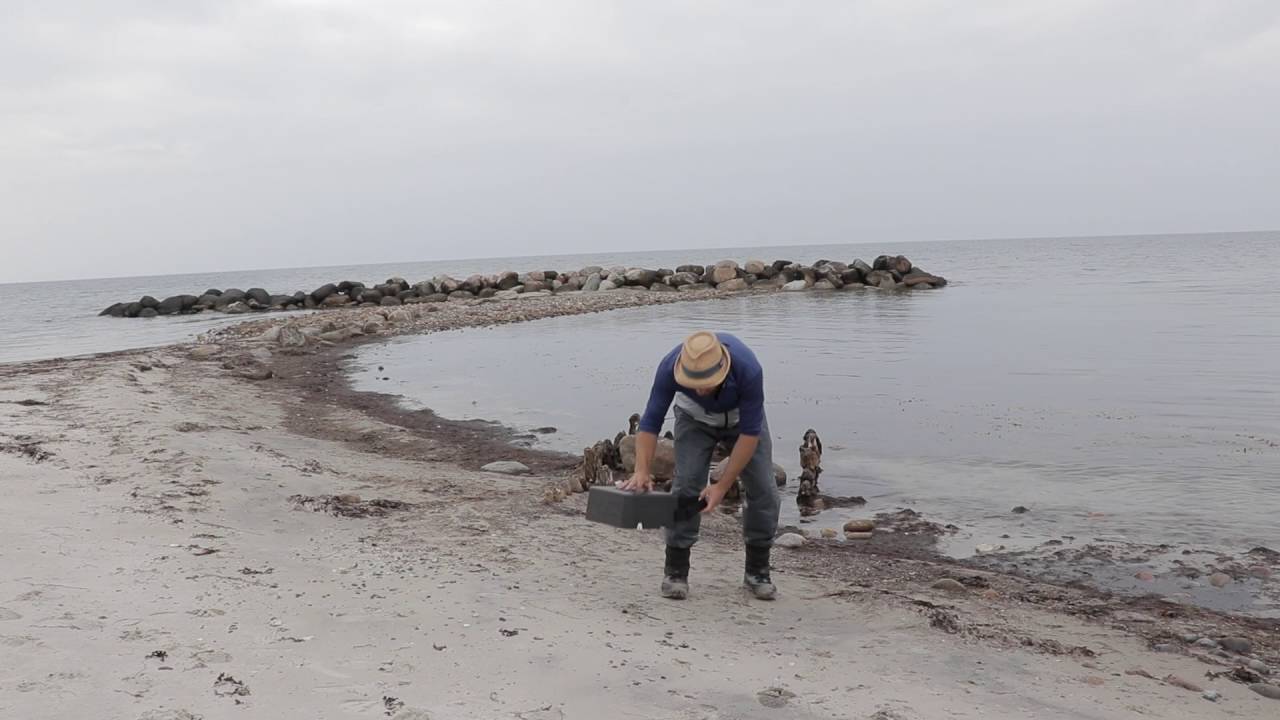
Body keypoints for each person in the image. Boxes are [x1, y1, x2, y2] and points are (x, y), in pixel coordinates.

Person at [620, 331, 779, 600]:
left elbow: (750, 436)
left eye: (706, 383)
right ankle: (676, 571)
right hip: (693, 419)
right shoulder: (669, 366)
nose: (700, 389)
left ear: (723, 369)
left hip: (742, 422)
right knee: (687, 485)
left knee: (764, 488)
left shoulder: (748, 369)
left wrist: (721, 486)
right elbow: (650, 423)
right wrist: (642, 470)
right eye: (693, 382)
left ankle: (757, 571)